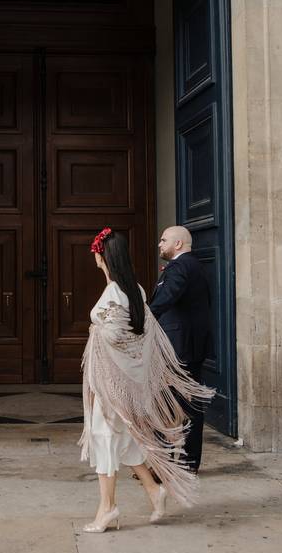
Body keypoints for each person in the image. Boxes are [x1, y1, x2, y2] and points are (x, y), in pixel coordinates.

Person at [79, 227, 214, 533]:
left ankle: (108, 509)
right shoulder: (136, 290)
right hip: (127, 381)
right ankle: (155, 491)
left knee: (104, 438)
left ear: (103, 258)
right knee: (126, 439)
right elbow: (142, 335)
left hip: (112, 385)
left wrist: (94, 331)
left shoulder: (114, 293)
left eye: (97, 255)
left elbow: (117, 336)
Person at [149, 226, 212, 473]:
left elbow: (166, 298)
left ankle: (162, 464)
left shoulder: (180, 266)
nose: (159, 244)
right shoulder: (195, 266)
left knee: (163, 403)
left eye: (163, 240)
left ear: (177, 244)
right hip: (191, 346)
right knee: (191, 405)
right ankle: (188, 463)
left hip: (178, 348)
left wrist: (142, 320)